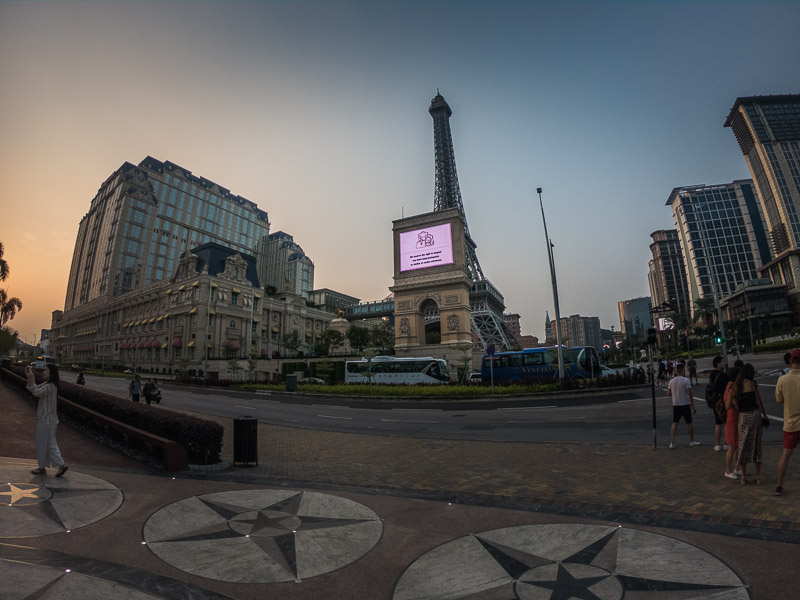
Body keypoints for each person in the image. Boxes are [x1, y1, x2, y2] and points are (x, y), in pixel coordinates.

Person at [25, 364, 68, 477]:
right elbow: (34, 389)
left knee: (46, 444)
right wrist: (30, 377)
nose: (43, 372)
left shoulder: (49, 387)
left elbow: (36, 392)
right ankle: (46, 466)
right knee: (47, 444)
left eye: (46, 371)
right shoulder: (49, 385)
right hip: (49, 420)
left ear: (51, 373)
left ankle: (59, 465)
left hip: (46, 420)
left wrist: (31, 378)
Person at [730, 363, 766, 485]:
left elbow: (733, 403)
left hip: (743, 417)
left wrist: (740, 407)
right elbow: (759, 402)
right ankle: (758, 476)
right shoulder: (752, 384)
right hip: (755, 415)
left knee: (743, 445)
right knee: (756, 446)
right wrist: (764, 415)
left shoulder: (735, 386)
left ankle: (743, 476)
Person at [775, 348, 800, 496]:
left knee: (786, 455)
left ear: (791, 361)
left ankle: (779, 485)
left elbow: (778, 401)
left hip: (790, 424)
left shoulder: (783, 379)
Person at [667, 363, 700, 448]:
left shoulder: (671, 381)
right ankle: (692, 441)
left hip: (676, 404)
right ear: (683, 370)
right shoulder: (686, 380)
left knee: (675, 423)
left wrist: (675, 392)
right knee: (689, 423)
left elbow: (668, 393)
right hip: (685, 404)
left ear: (676, 371)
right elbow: (690, 393)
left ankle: (672, 443)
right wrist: (692, 405)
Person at [723, 365, 742, 480]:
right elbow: (731, 404)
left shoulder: (729, 386)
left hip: (733, 418)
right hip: (732, 418)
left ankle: (737, 467)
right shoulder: (731, 388)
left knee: (736, 445)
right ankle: (728, 470)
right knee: (732, 447)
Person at [709, 356, 730, 452]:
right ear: (718, 364)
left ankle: (717, 444)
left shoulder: (711, 374)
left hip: (715, 401)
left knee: (717, 423)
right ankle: (726, 443)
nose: (724, 363)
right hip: (723, 401)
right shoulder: (724, 375)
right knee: (726, 422)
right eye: (722, 361)